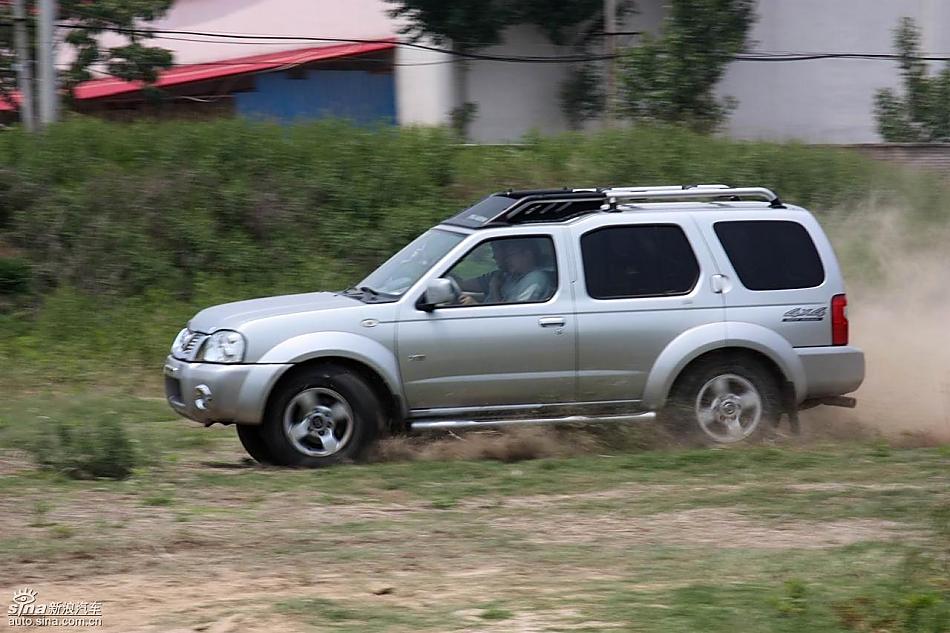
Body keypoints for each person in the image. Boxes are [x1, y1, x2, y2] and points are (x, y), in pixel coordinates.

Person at [453, 239, 552, 305]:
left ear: (527, 254)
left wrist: (475, 305)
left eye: (511, 255)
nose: (507, 260)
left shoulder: (535, 278)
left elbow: (512, 315)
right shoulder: (512, 277)